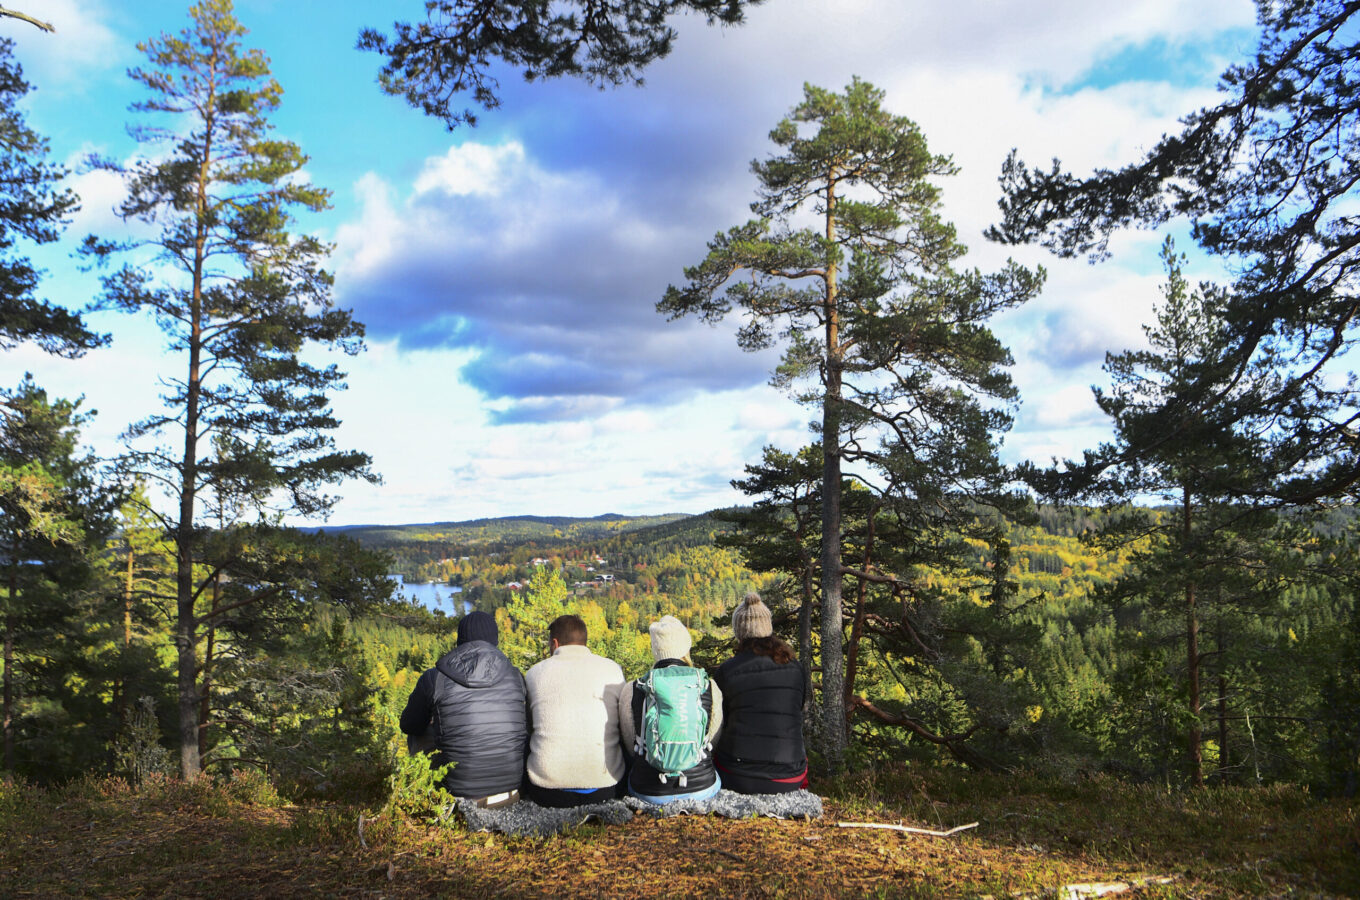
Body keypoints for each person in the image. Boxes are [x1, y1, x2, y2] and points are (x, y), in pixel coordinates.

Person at [398, 610, 526, 808]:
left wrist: (438, 722)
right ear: (495, 641)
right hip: (512, 793)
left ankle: (427, 790)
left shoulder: (435, 678)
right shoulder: (516, 677)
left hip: (460, 798)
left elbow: (408, 725)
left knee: (419, 732)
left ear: (460, 640)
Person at [522, 614, 627, 807]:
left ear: (555, 643)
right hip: (606, 786)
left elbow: (528, 726)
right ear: (584, 641)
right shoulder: (612, 669)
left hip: (547, 791)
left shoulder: (534, 673)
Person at [618, 615, 724, 804]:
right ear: (686, 649)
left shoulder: (633, 688)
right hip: (701, 788)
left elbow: (630, 742)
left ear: (655, 651)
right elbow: (713, 738)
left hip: (649, 790)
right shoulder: (708, 685)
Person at [712, 592, 809, 793]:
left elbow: (719, 723)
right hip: (791, 776)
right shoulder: (796, 668)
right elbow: (799, 709)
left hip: (737, 775)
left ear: (739, 632)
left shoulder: (727, 671)